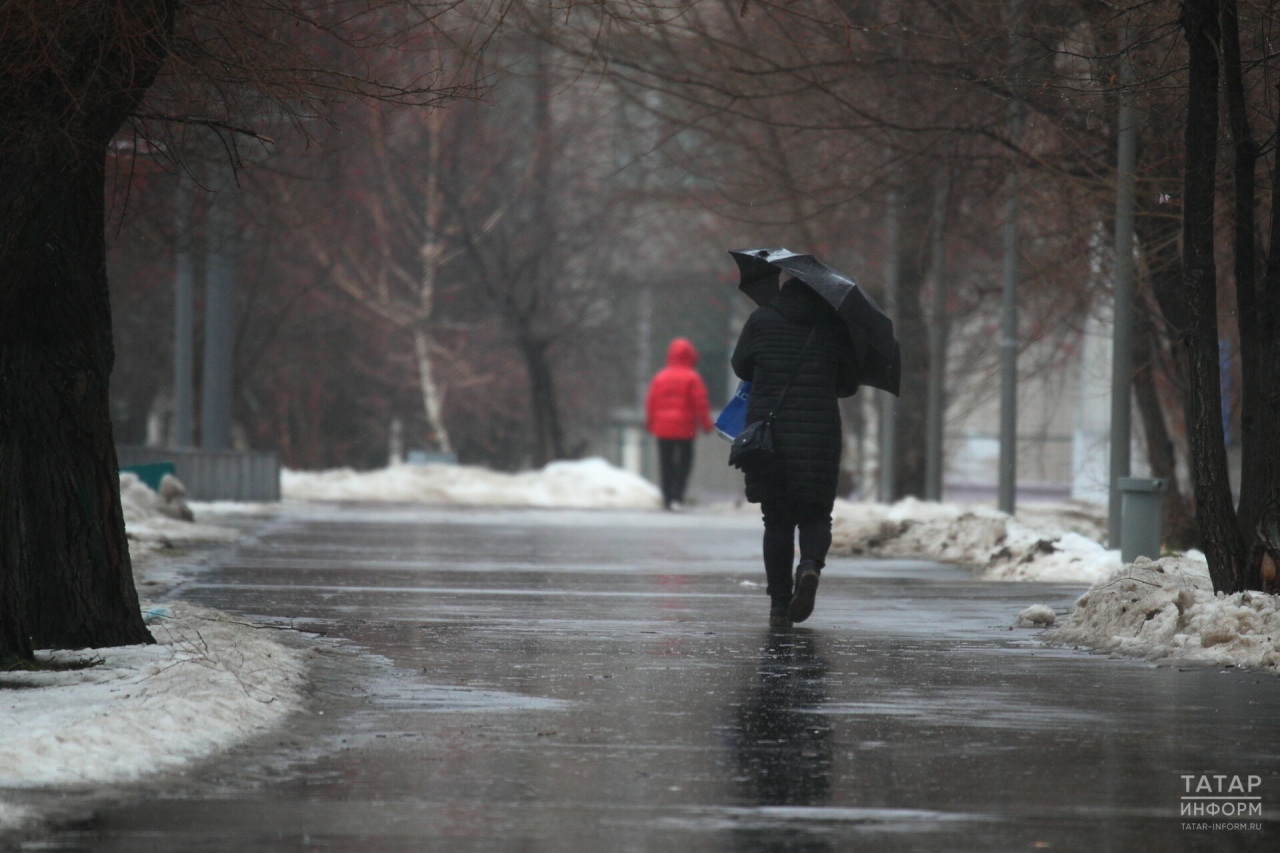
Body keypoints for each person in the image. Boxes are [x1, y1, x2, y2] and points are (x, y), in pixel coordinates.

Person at [731, 278, 860, 627]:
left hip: (768, 435)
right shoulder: (834, 325)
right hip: (818, 434)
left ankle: (778, 604)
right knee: (816, 513)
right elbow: (848, 383)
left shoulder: (762, 319)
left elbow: (741, 365)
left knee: (776, 520)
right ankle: (810, 567)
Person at [645, 337, 714, 510]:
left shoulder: (660, 377)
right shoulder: (693, 378)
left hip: (663, 428)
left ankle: (667, 498)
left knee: (665, 463)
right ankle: (678, 496)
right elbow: (701, 403)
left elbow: (651, 402)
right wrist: (706, 425)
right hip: (686, 429)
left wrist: (650, 424)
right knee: (685, 461)